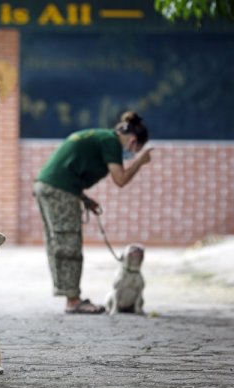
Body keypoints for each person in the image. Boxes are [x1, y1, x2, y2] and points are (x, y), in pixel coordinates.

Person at [33, 111, 152, 314]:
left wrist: (85, 200)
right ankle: (73, 301)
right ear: (133, 141)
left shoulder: (101, 136)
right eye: (135, 150)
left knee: (57, 242)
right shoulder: (112, 142)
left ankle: (69, 294)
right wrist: (139, 161)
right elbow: (120, 179)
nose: (131, 153)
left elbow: (71, 168)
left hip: (47, 186)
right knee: (69, 242)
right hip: (60, 190)